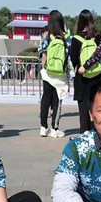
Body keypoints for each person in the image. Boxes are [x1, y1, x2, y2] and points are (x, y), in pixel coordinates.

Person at [37, 10, 71, 138]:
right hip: (61, 74)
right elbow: (69, 56)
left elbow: (42, 54)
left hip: (48, 72)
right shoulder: (67, 38)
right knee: (57, 101)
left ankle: (43, 127)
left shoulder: (47, 37)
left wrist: (43, 68)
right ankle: (54, 128)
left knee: (45, 98)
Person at [70, 9, 101, 134]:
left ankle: (84, 136)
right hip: (97, 76)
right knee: (95, 107)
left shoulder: (76, 39)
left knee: (83, 110)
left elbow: (73, 59)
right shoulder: (98, 37)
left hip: (81, 77)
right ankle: (96, 135)